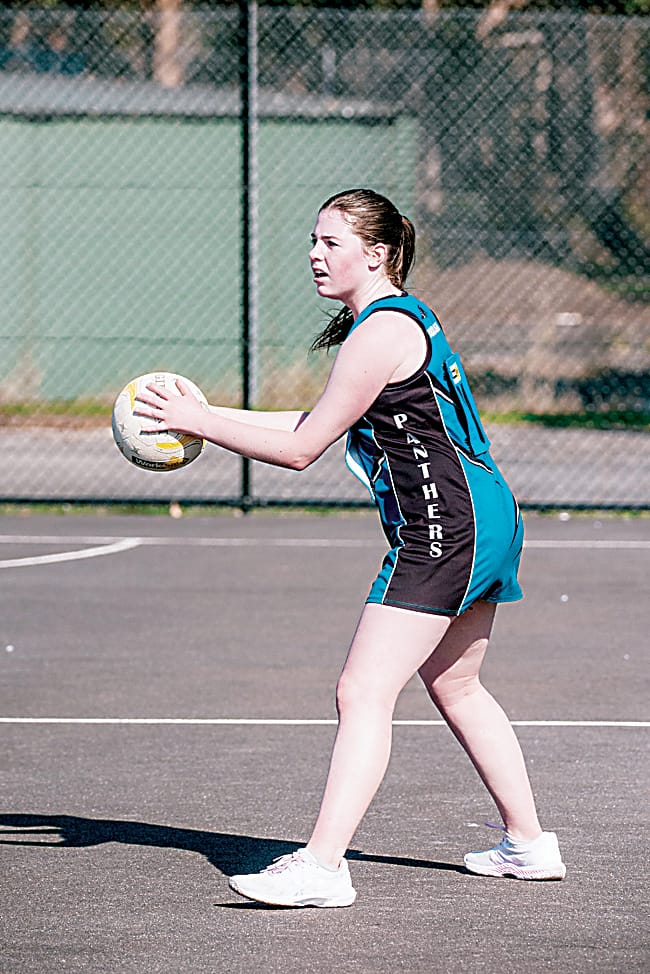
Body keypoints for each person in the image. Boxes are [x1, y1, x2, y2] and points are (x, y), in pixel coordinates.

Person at [136, 188, 566, 907]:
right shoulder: (396, 321)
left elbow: (303, 449)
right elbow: (321, 418)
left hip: (443, 526)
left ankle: (324, 866)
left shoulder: (378, 333)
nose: (314, 253)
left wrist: (199, 424)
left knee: (361, 690)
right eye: (313, 240)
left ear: (377, 253)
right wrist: (204, 415)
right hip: (485, 515)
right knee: (455, 684)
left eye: (331, 243)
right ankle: (529, 844)